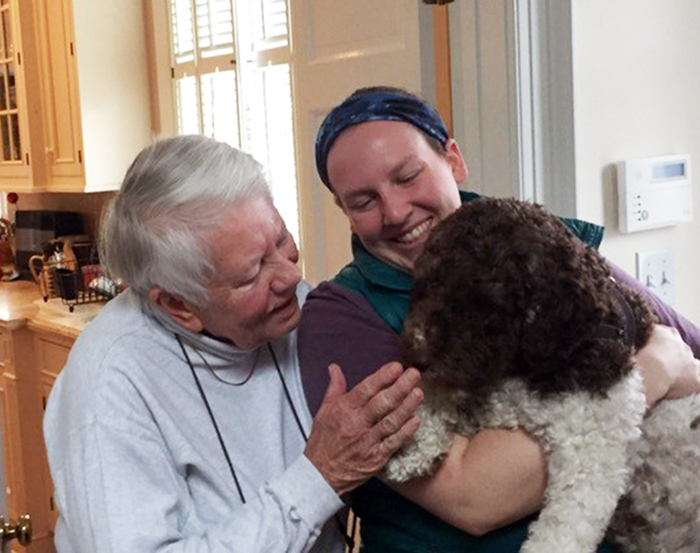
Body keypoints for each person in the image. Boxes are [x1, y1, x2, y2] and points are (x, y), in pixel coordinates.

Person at [298, 87, 700, 552]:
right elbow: (475, 500)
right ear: (345, 214)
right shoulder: (341, 318)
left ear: (453, 159)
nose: (395, 212)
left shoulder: (535, 244)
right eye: (363, 201)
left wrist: (672, 359)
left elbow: (687, 347)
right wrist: (651, 372)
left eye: (407, 177)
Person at [42, 135, 425, 552]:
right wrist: (320, 478)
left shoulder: (289, 304)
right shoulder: (108, 384)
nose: (291, 277)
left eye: (281, 240)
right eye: (251, 274)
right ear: (178, 304)